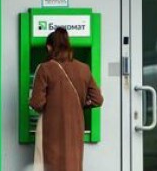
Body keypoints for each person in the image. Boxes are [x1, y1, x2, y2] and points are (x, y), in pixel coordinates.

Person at [30, 27, 104, 171]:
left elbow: (37, 103)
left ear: (49, 47)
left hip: (51, 126)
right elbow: (97, 99)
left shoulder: (45, 68)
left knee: (49, 164)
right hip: (76, 126)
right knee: (72, 164)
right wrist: (78, 104)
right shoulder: (84, 68)